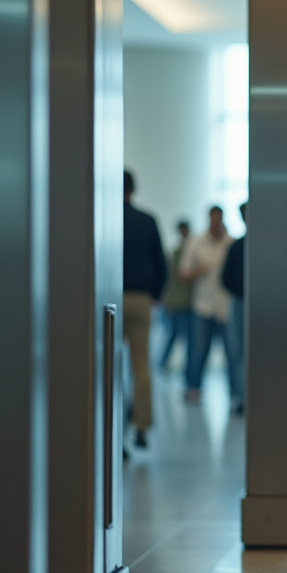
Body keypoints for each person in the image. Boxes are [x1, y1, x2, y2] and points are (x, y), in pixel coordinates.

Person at [123, 170, 167, 449]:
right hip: (141, 300)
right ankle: (141, 426)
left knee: (109, 368)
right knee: (141, 366)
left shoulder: (103, 218)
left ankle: (114, 426)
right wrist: (156, 295)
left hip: (107, 300)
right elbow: (161, 263)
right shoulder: (147, 220)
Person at [180, 205, 236, 402]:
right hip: (203, 306)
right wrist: (198, 271)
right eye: (212, 219)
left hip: (226, 306)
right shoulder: (196, 243)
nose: (215, 223)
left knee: (232, 352)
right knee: (198, 351)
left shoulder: (231, 243)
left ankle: (236, 392)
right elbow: (183, 273)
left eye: (218, 219)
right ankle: (193, 387)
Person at [221, 202, 247, 414]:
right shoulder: (237, 247)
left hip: (257, 304)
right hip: (239, 302)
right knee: (237, 351)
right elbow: (225, 278)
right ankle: (241, 396)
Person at [159, 220, 193, 371]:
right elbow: (172, 279)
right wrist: (169, 301)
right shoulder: (176, 253)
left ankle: (163, 363)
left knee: (179, 337)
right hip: (177, 302)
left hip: (189, 302)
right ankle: (162, 363)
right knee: (178, 336)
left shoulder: (192, 251)